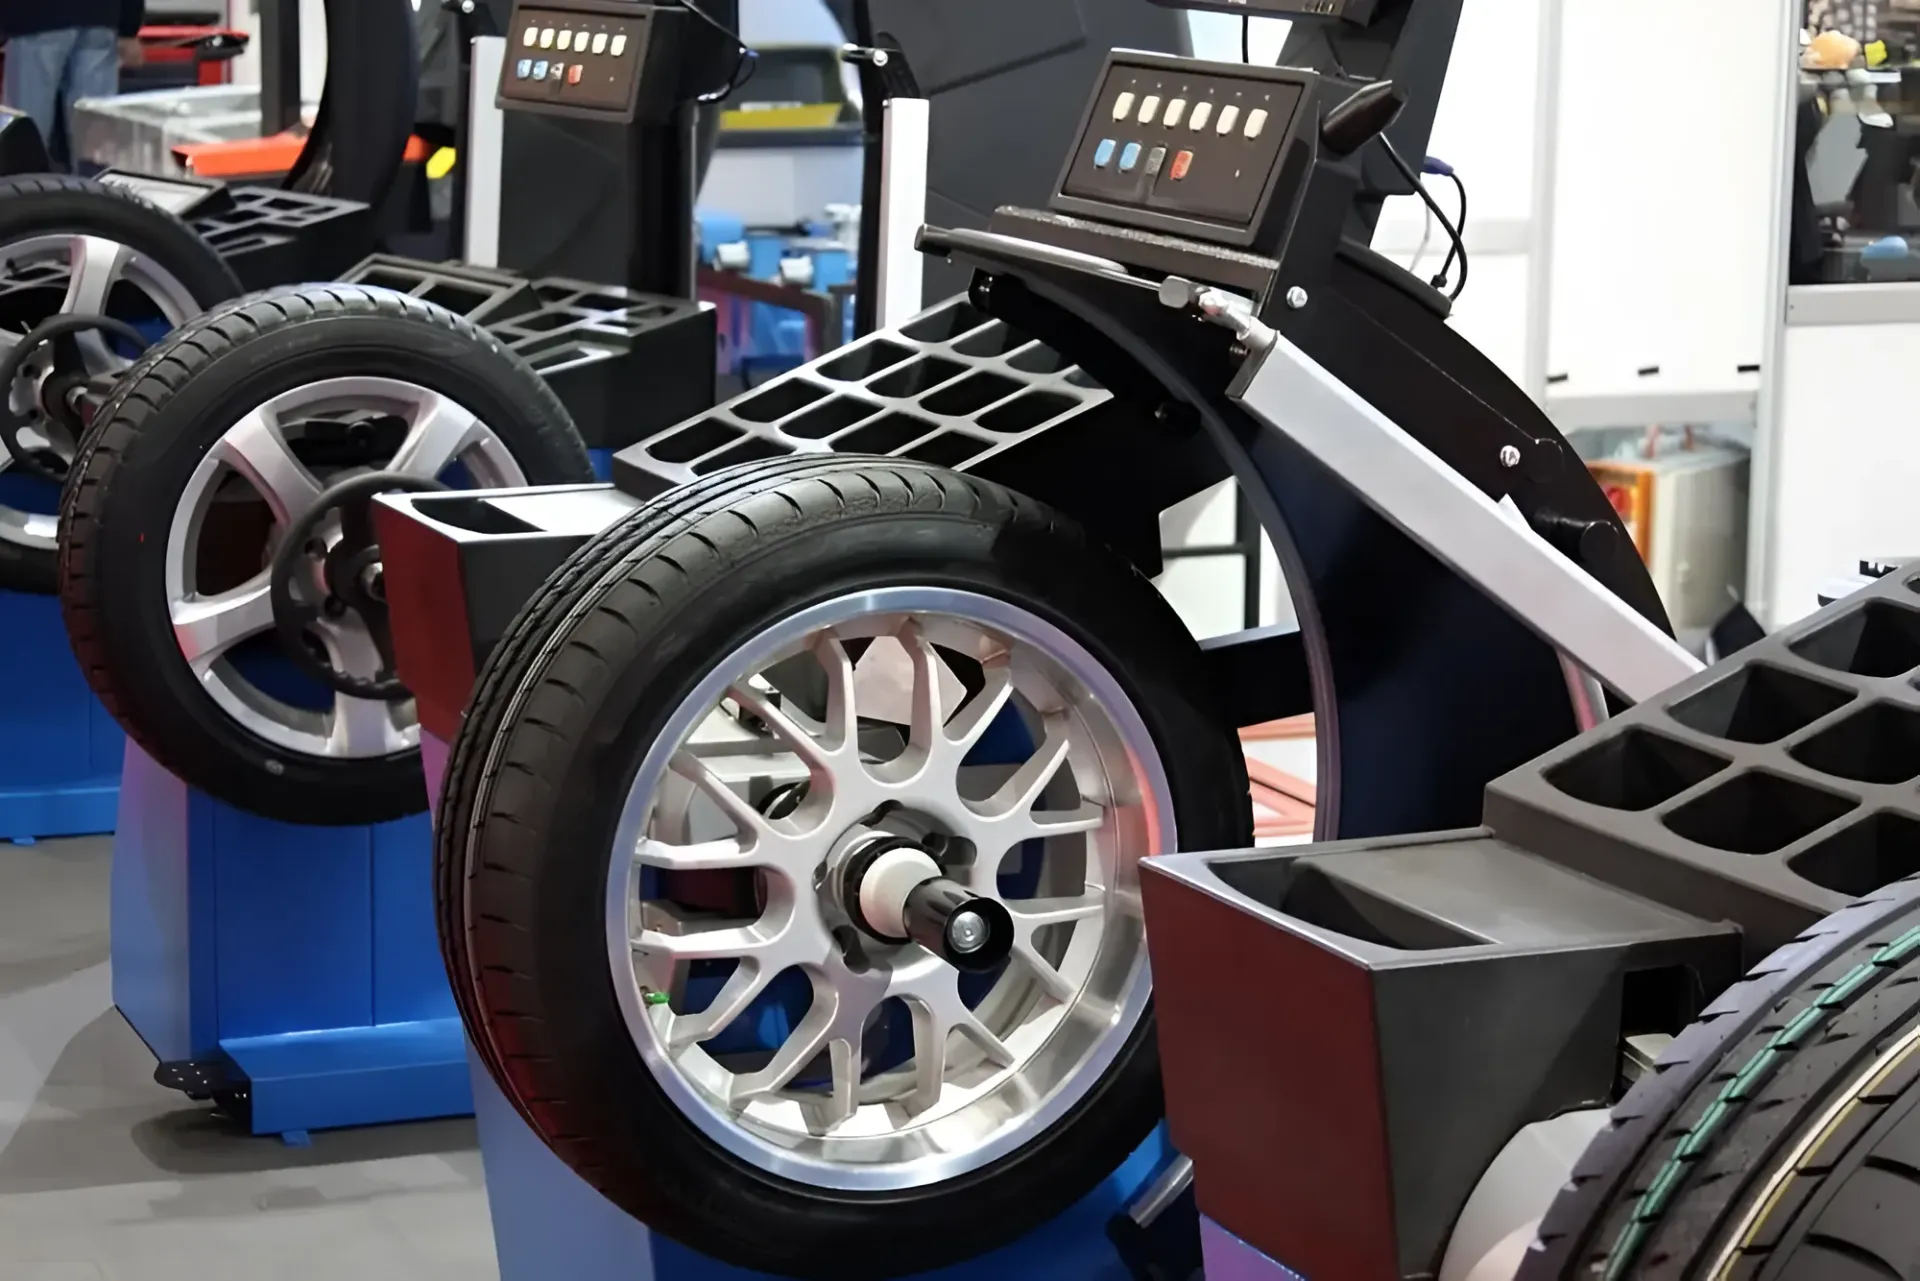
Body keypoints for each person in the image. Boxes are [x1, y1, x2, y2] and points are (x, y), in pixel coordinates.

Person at [0, 0, 145, 168]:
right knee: (94, 133)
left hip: (34, 17)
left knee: (27, 128)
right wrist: (129, 27)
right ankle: (96, 190)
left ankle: (25, 190)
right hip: (100, 16)